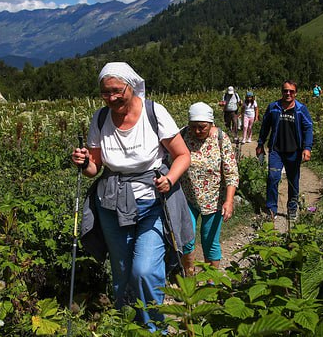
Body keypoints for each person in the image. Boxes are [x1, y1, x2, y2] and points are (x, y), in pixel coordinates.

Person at [71, 62, 193, 331]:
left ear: (131, 86)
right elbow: (95, 168)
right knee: (122, 274)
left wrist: (170, 179)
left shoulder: (154, 112)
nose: (112, 98)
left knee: (144, 270)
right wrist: (83, 162)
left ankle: (154, 328)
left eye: (117, 91)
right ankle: (126, 324)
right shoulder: (100, 119)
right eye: (105, 93)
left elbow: (182, 155)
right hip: (111, 206)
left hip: (152, 204)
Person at [179, 102, 239, 276]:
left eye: (202, 127)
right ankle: (189, 276)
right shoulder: (183, 135)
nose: (197, 131)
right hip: (187, 197)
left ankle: (212, 281)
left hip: (213, 200)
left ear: (211, 124)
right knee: (187, 240)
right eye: (193, 127)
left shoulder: (221, 138)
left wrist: (229, 200)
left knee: (210, 240)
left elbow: (231, 172)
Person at [255, 80, 313, 221]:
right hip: (276, 151)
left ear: (295, 93)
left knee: (293, 181)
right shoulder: (273, 107)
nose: (288, 93)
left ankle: (292, 209)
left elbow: (308, 128)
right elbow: (265, 126)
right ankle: (271, 209)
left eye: (291, 91)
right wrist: (260, 143)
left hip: (294, 151)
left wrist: (307, 148)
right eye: (285, 91)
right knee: (273, 178)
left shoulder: (300, 109)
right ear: (281, 92)